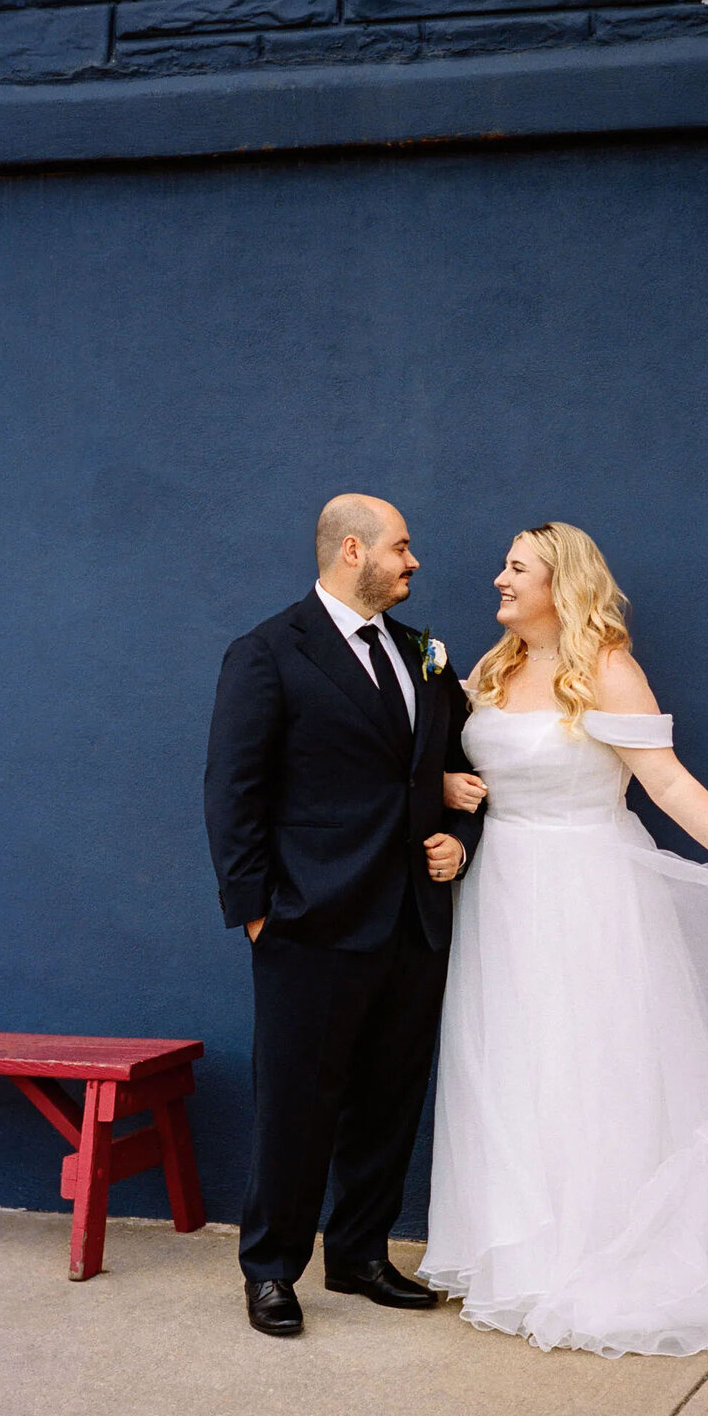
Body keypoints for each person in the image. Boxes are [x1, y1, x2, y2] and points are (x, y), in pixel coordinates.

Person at [420, 521, 708, 1358]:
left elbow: (667, 780)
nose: (499, 580)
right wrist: (444, 784)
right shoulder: (493, 668)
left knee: (596, 1061)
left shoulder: (607, 670)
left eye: (517, 568)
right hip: (501, 890)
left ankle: (602, 1253)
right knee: (510, 1059)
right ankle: (522, 1252)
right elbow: (456, 762)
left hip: (590, 891)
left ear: (560, 583)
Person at [204, 494, 484, 1337]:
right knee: (297, 1102)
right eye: (403, 547)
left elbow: (460, 763)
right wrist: (257, 915)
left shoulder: (424, 653)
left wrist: (459, 835)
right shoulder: (267, 653)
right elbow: (232, 793)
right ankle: (270, 1270)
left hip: (413, 921)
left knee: (390, 1098)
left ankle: (360, 1254)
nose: (416, 562)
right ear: (353, 551)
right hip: (310, 924)